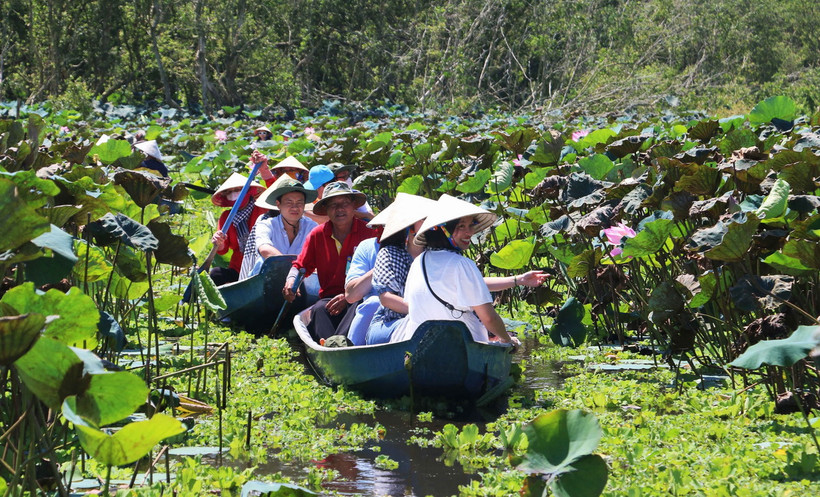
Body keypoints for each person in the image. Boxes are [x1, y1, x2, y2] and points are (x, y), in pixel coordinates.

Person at [390, 194, 548, 344]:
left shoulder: (419, 262)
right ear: (443, 231)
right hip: (463, 348)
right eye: (461, 226)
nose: (469, 232)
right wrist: (507, 340)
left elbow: (461, 286)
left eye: (470, 225)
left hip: (420, 346)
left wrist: (518, 280)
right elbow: (489, 318)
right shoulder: (461, 264)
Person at [283, 182, 379, 341]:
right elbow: (300, 265)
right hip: (329, 299)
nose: (339, 209)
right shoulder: (317, 235)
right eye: (333, 205)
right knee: (319, 309)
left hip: (362, 295)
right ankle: (330, 345)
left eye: (345, 203)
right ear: (326, 210)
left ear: (353, 206)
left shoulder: (370, 232)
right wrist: (291, 281)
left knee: (357, 306)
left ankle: (338, 344)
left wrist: (347, 296)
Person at [364, 194, 436, 345]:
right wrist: (427, 313)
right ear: (409, 226)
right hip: (391, 322)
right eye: (424, 219)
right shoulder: (389, 253)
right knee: (420, 327)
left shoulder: (438, 255)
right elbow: (386, 298)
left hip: (434, 322)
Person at [238, 176, 319, 279]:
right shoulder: (266, 225)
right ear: (278, 204)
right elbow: (264, 249)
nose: (295, 207)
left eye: (299, 203)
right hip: (268, 280)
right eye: (289, 202)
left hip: (301, 282)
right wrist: (292, 270)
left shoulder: (312, 227)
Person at [209, 158, 274, 285]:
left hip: (263, 264)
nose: (233, 194)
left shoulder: (261, 207)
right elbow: (223, 249)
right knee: (216, 273)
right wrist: (218, 241)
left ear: (249, 191)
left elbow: (275, 194)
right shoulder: (226, 216)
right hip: (238, 268)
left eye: (237, 190)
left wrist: (264, 170)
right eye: (229, 192)